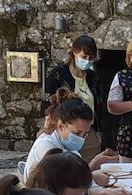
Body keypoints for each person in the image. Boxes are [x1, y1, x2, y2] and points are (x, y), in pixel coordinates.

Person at [24, 88, 115, 181]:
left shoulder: (67, 148)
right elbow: (66, 187)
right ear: (60, 126)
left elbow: (73, 177)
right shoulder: (47, 147)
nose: (81, 138)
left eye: (85, 134)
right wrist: (95, 180)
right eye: (77, 133)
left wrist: (95, 163)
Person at [42, 35, 106, 163]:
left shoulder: (93, 77)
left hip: (89, 133)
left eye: (91, 58)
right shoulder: (59, 73)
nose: (87, 61)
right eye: (84, 57)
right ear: (74, 54)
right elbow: (46, 103)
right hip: (65, 131)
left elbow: (98, 103)